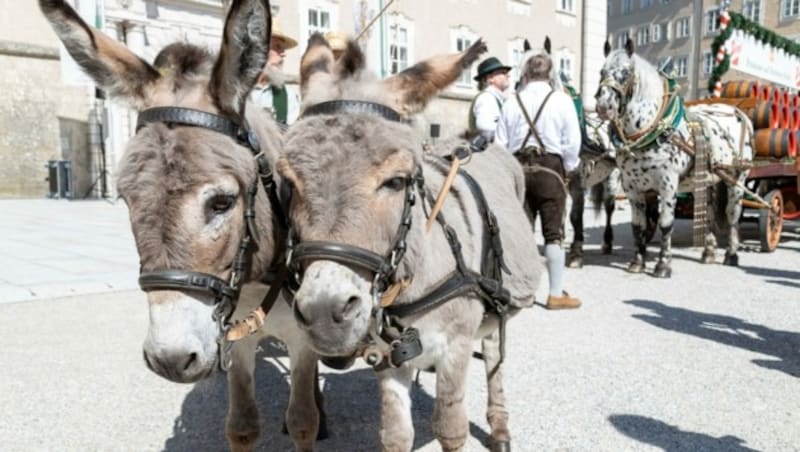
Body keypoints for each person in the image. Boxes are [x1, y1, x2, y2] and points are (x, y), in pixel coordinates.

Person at [495, 50, 582, 310]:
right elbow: (573, 142)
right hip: (550, 170)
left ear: (526, 73)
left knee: (523, 234)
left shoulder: (512, 101)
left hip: (519, 169)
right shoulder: (562, 100)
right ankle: (555, 294)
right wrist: (568, 168)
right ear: (550, 73)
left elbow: (499, 144)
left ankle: (524, 293)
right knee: (553, 234)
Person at [249, 18, 300, 127]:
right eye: (277, 47)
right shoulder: (235, 90)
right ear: (259, 49)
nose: (283, 54)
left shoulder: (287, 94)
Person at [468, 57, 511, 141]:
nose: (508, 75)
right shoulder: (486, 98)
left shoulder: (495, 98)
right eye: (503, 72)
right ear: (490, 78)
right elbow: (486, 130)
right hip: (489, 152)